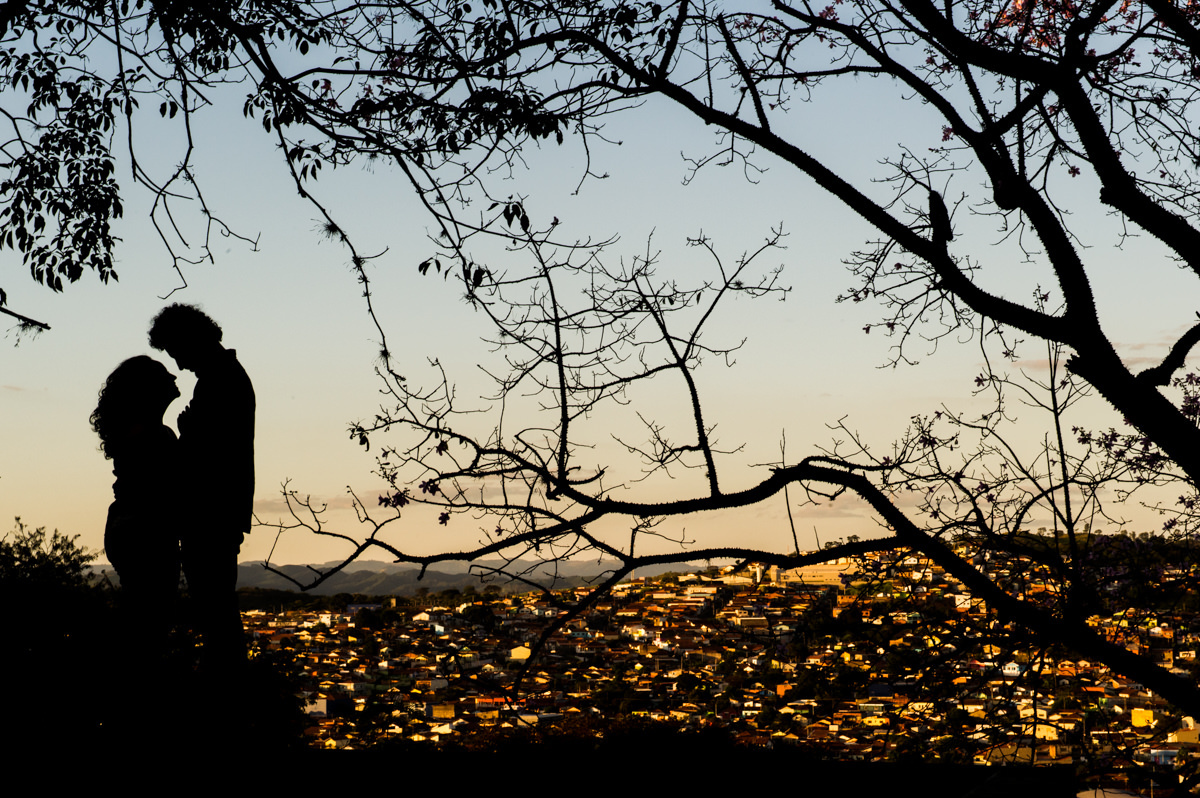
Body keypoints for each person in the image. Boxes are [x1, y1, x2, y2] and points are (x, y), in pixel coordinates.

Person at [148, 304, 255, 666]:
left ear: (191, 340)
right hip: (217, 510)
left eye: (177, 353)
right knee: (215, 611)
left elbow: (210, 451)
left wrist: (188, 432)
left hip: (212, 512)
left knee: (215, 612)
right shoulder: (221, 377)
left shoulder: (220, 380)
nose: (179, 365)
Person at [91, 356, 182, 638]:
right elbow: (166, 484)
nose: (174, 378)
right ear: (148, 388)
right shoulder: (146, 434)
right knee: (148, 622)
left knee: (145, 618)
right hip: (143, 531)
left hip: (133, 528)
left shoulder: (141, 431)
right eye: (164, 374)